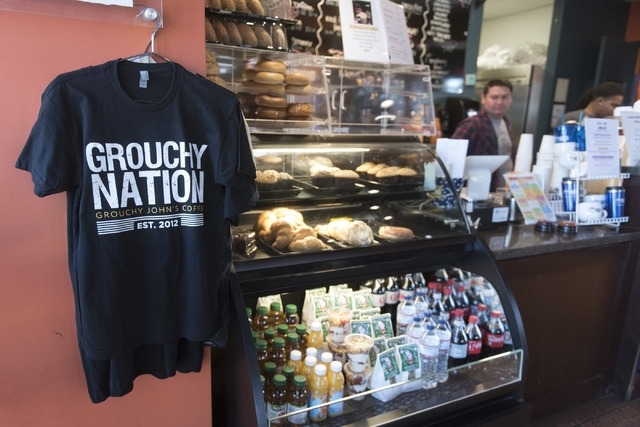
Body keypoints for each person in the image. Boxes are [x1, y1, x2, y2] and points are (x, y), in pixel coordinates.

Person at [451, 78, 515, 189]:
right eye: (494, 97)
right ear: (483, 98)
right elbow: (450, 157)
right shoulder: (473, 124)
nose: (500, 102)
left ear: (511, 99)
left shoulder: (506, 122)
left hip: (501, 191)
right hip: (477, 192)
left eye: (504, 97)